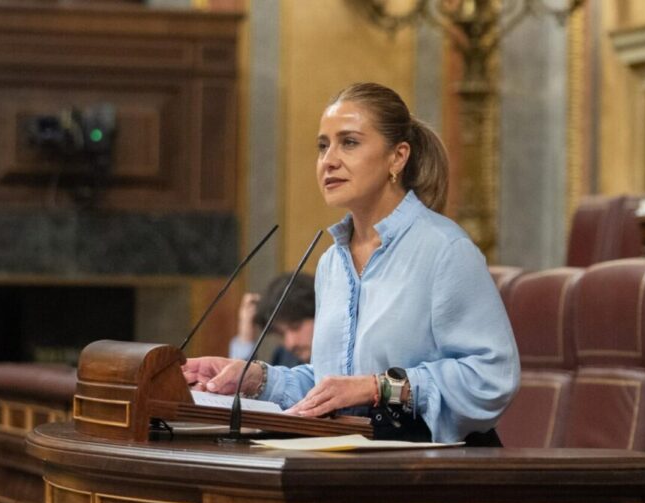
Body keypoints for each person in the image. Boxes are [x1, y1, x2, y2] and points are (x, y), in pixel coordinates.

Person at [183, 82, 520, 444]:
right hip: (350, 459)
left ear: (397, 157)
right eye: (323, 146)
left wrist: (377, 388)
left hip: (430, 471)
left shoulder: (445, 250)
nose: (329, 160)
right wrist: (256, 378)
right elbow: (332, 387)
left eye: (350, 142)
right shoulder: (332, 263)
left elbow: (491, 377)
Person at [228, 273, 315, 367]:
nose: (290, 343)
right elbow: (243, 378)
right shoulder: (283, 357)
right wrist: (245, 338)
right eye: (280, 334)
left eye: (295, 327)